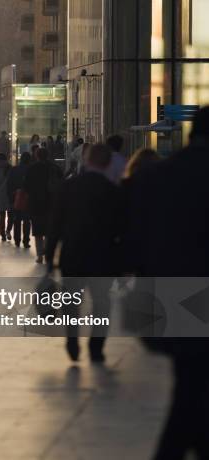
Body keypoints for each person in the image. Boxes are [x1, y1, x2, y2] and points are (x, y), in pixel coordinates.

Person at [126, 107, 209, 460]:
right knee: (193, 390)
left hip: (173, 297)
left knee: (189, 381)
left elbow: (135, 242)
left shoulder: (156, 177)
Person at [45, 143, 121, 363]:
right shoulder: (113, 191)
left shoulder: (68, 188)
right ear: (107, 163)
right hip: (103, 257)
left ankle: (72, 341)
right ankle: (96, 347)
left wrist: (50, 256)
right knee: (101, 302)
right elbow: (122, 228)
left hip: (73, 254)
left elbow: (56, 224)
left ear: (86, 161)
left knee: (71, 301)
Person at [24, 147, 63, 263]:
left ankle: (40, 255)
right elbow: (62, 183)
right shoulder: (54, 168)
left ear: (37, 156)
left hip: (36, 203)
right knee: (49, 230)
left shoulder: (32, 168)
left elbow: (26, 186)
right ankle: (48, 254)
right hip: (52, 203)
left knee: (38, 231)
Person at [7, 152, 32, 248]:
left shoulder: (14, 169)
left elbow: (9, 184)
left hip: (16, 197)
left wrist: (10, 196)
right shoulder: (31, 170)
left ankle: (17, 240)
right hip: (28, 197)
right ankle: (26, 241)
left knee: (16, 220)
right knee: (26, 220)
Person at [0, 153, 13, 241]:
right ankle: (8, 230)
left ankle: (2, 234)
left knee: (2, 216)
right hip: (10, 195)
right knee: (11, 215)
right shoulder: (10, 169)